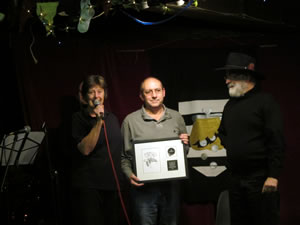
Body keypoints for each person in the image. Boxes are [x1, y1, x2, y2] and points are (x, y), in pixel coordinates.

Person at [217, 52, 285, 225]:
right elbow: (222, 133)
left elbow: (276, 139)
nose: (226, 81)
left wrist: (273, 175)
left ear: (245, 76)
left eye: (230, 76)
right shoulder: (230, 105)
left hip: (260, 179)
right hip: (235, 179)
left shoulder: (265, 102)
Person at [121, 76, 189, 225]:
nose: (154, 95)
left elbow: (183, 152)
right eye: (148, 91)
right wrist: (129, 175)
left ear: (163, 92)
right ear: (141, 96)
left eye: (157, 90)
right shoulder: (130, 121)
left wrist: (184, 145)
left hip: (171, 188)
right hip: (144, 191)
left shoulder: (176, 117)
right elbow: (124, 157)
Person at [71, 75, 123, 225]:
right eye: (91, 92)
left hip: (112, 185)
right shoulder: (78, 118)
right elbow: (85, 149)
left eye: (99, 91)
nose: (96, 96)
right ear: (85, 96)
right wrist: (99, 121)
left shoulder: (112, 118)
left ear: (104, 94)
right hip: (90, 186)